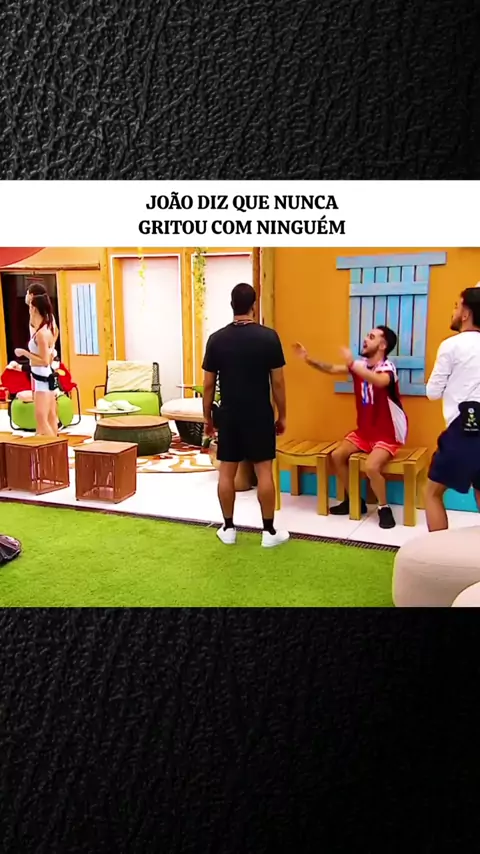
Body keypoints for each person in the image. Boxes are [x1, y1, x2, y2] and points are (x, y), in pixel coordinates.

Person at [202, 283, 289, 548]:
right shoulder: (269, 338)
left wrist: (207, 418)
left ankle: (228, 529)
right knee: (264, 472)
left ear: (232, 305)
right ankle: (269, 532)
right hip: (260, 414)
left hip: (229, 415)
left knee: (226, 473)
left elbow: (208, 385)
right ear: (254, 304)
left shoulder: (216, 339)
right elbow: (278, 383)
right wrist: (282, 415)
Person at [294, 326, 407, 529]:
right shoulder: (360, 366)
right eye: (367, 335)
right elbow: (331, 369)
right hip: (364, 432)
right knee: (337, 456)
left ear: (382, 345)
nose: (365, 339)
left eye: (371, 337)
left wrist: (353, 364)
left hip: (387, 435)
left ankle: (384, 508)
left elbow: (379, 381)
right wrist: (308, 359)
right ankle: (354, 500)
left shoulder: (388, 368)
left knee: (371, 467)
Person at [425, 287, 480, 531]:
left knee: (432, 493)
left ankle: (439, 551)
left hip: (464, 427)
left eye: (457, 306)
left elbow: (433, 392)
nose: (454, 311)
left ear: (466, 313)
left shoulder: (451, 345)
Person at [14, 293, 58, 436]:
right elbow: (48, 359)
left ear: (33, 308)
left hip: (42, 380)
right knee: (51, 418)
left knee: (42, 420)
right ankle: (54, 447)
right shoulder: (47, 329)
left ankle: (54, 446)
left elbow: (44, 361)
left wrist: (24, 353)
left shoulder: (41, 334)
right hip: (46, 378)